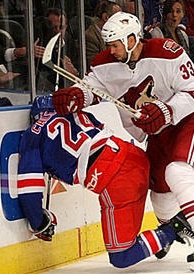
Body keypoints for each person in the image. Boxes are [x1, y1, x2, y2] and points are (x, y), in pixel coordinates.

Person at [52, 11, 194, 263]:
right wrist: (74, 96)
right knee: (160, 199)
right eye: (109, 45)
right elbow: (90, 89)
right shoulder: (105, 62)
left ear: (131, 40)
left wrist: (167, 110)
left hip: (186, 121)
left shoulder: (166, 51)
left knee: (177, 171)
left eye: (116, 45)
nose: (112, 50)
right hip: (156, 133)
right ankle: (172, 230)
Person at [17, 95, 194, 268]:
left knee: (122, 256)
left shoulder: (32, 136)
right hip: (134, 155)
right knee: (162, 192)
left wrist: (39, 223)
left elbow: (29, 192)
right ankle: (163, 235)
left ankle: (174, 227)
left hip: (117, 180)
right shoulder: (77, 113)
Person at [85, 0, 122, 69]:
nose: (120, 22)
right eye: (117, 18)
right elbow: (94, 65)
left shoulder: (117, 35)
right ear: (106, 17)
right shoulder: (90, 37)